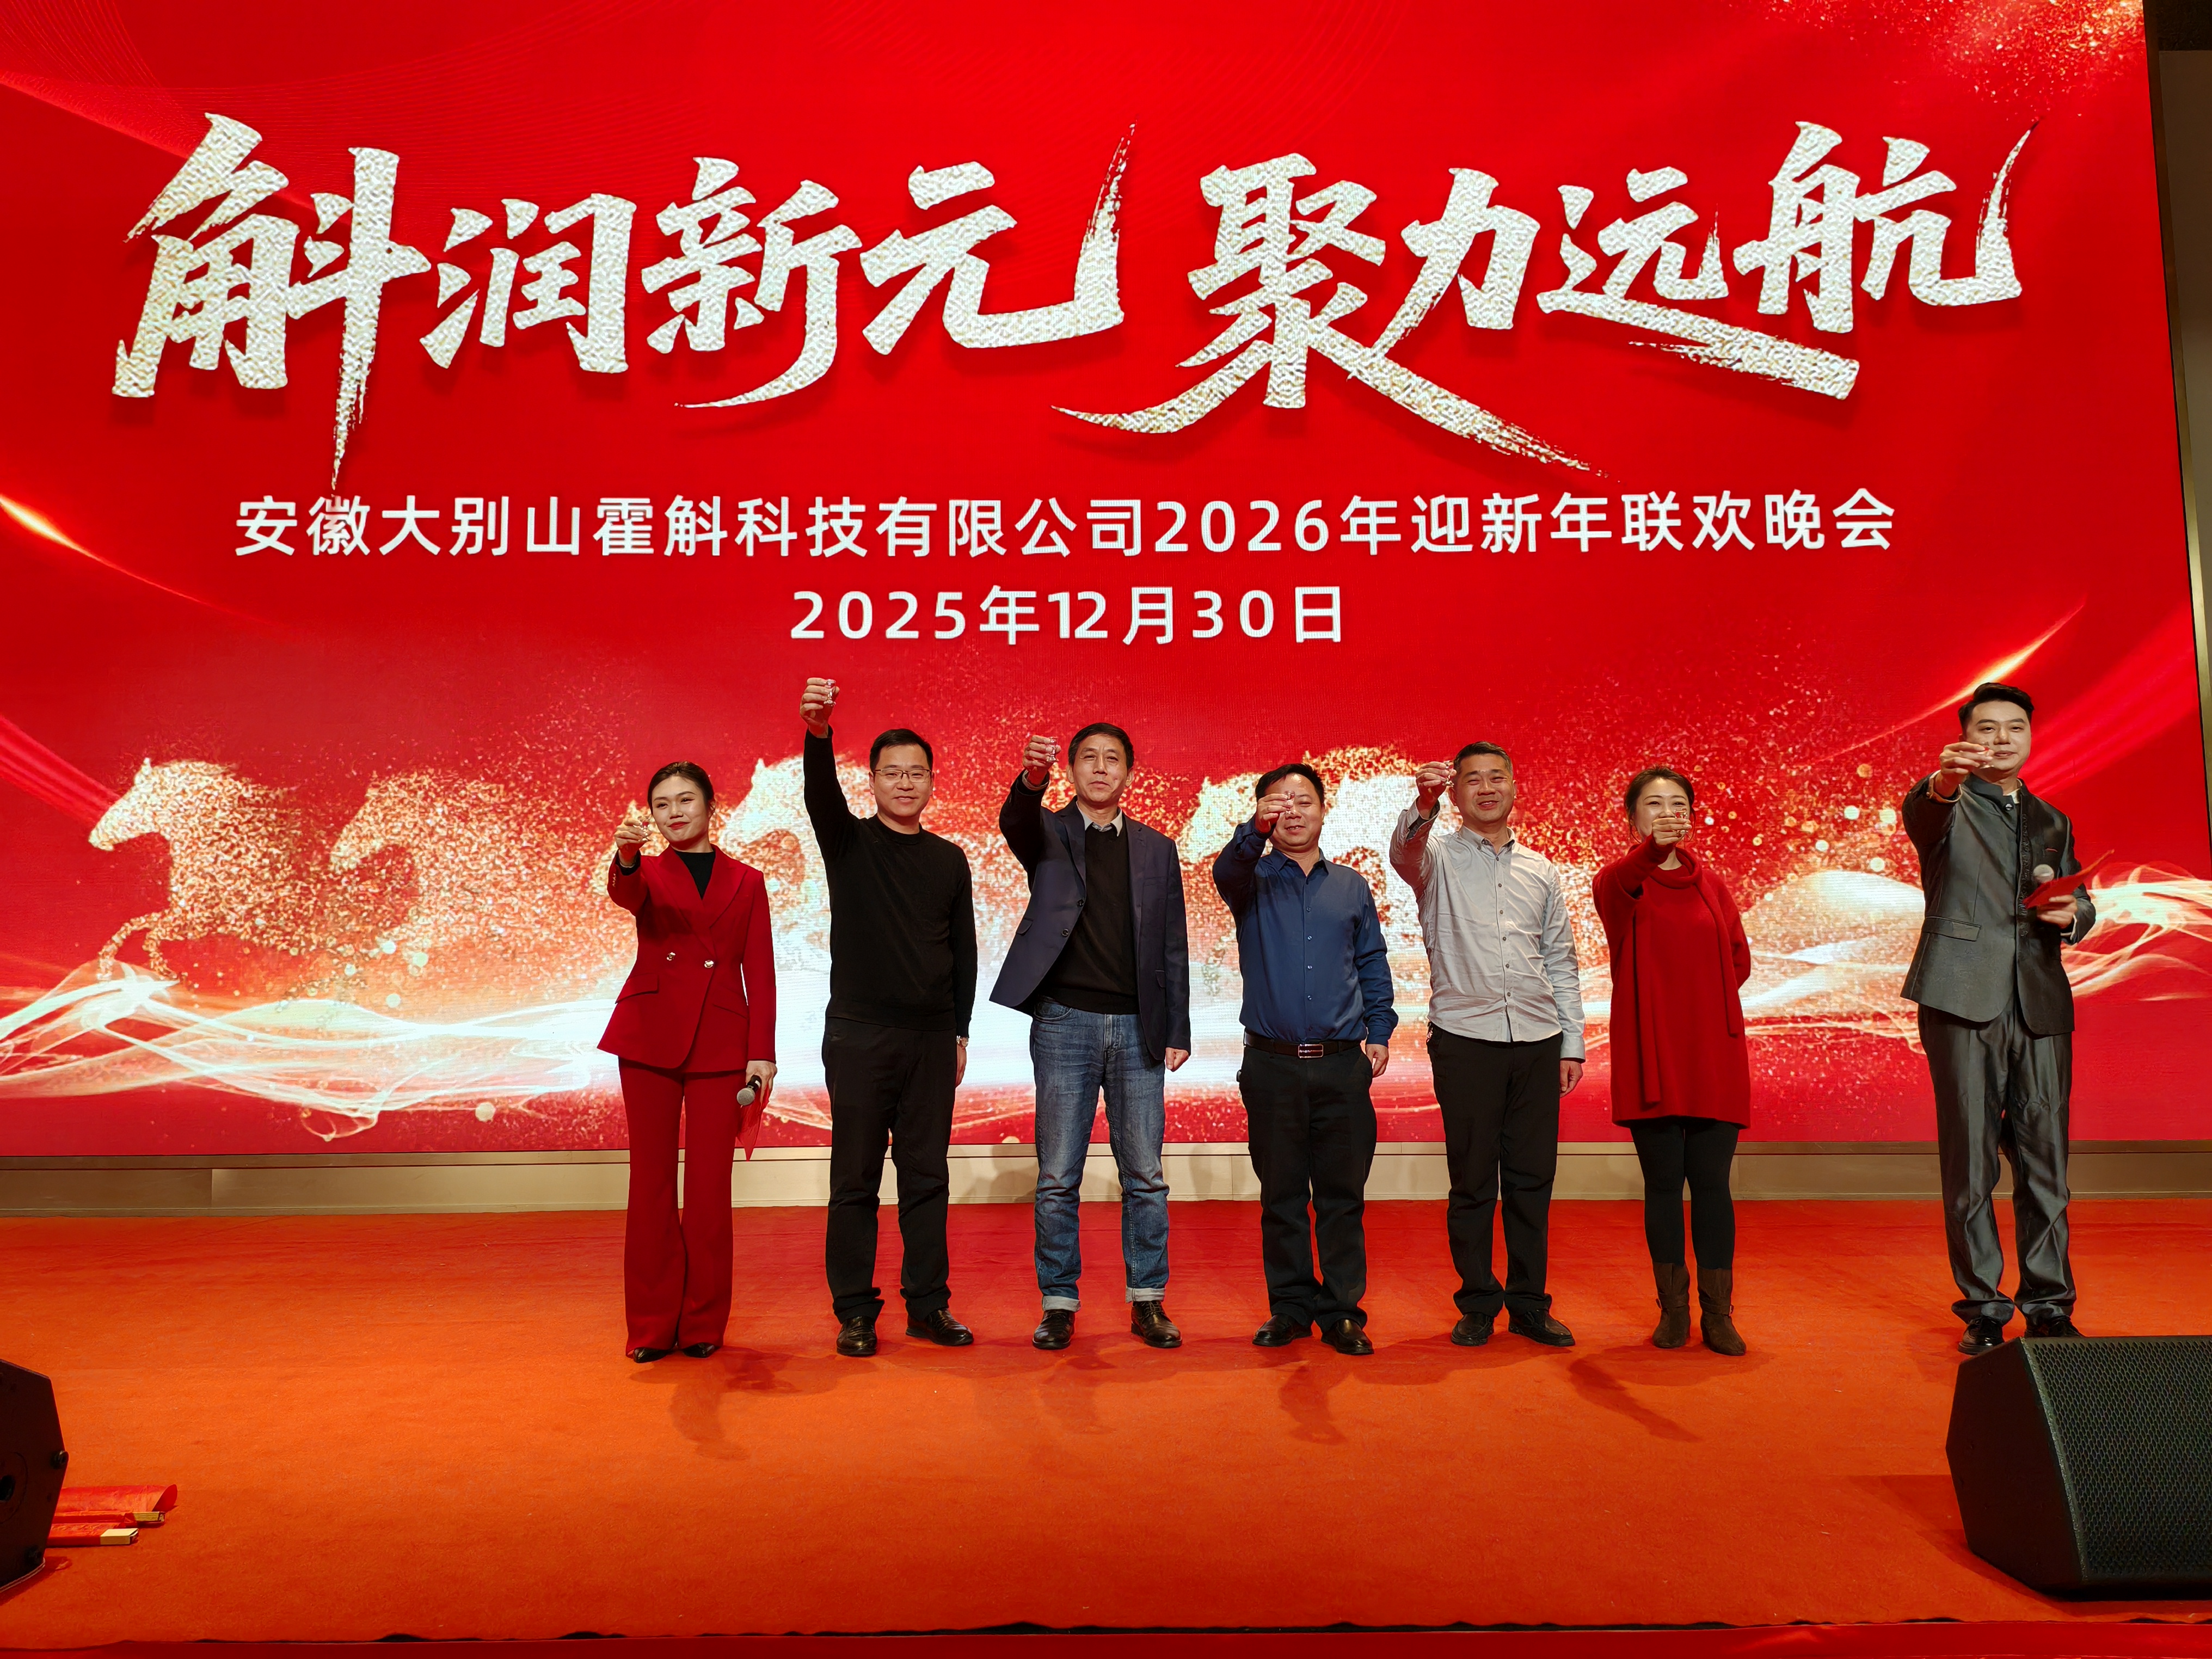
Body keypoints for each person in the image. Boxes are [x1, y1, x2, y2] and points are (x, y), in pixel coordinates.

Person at [1902, 681, 2095, 1355]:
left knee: (2046, 1163)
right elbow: (1926, 809)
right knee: (1970, 1162)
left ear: (2029, 736)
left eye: (2014, 727)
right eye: (1986, 728)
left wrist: (2072, 915)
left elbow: (2079, 898)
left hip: (2039, 1003)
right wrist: (1943, 779)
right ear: (1965, 738)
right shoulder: (1943, 804)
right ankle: (1983, 1307)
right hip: (1960, 997)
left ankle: (2048, 1305)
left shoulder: (2051, 818)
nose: (2002, 739)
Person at [991, 723, 1193, 1351]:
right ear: (1072, 770)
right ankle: (1058, 1302)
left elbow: (1173, 943)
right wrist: (1031, 780)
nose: (1100, 768)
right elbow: (1014, 820)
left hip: (1138, 1028)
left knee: (1145, 1175)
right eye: (1088, 759)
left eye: (1112, 759)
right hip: (1063, 1024)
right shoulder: (1047, 832)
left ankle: (1147, 1300)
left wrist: (1177, 1027)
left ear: (1128, 772)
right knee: (1057, 1176)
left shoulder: (1157, 849)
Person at [800, 678, 980, 1357]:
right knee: (854, 1179)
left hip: (931, 1039)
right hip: (859, 1034)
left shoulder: (949, 860)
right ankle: (854, 1311)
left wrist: (959, 1030)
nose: (905, 783)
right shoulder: (847, 842)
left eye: (916, 773)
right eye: (892, 772)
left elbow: (963, 951)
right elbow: (820, 794)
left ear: (931, 781)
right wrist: (819, 734)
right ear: (871, 780)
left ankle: (928, 1306)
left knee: (927, 1178)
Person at [1390, 742, 1585, 1348]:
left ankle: (1528, 1304)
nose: (1485, 788)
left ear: (1513, 786)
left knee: (1532, 1181)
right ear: (1455, 792)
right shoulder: (1434, 858)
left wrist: (1571, 1042)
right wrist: (1423, 803)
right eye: (1471, 779)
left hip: (1537, 1039)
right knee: (1473, 1182)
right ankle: (1477, 1302)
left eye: (1496, 777)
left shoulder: (1541, 870)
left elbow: (1560, 959)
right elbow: (1402, 849)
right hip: (1465, 1040)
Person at [599, 762, 777, 1365]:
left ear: (710, 807)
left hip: (721, 1042)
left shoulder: (747, 881)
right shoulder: (644, 871)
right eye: (661, 804)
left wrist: (762, 1052)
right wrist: (627, 856)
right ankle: (651, 1325)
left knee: (708, 1189)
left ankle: (703, 1320)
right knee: (649, 1185)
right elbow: (625, 894)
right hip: (648, 1037)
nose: (674, 813)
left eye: (685, 800)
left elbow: (761, 971)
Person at [1214, 763, 1396, 1355]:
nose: (1292, 811)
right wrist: (1253, 831)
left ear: (1324, 809)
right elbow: (1227, 867)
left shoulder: (1351, 886)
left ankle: (1342, 1312)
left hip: (1343, 1063)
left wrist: (1379, 1029)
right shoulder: (1249, 878)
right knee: (1282, 1196)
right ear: (1262, 813)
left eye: (1303, 800)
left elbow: (1371, 961)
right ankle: (1289, 1308)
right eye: (1278, 802)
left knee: (1342, 1196)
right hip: (1272, 1065)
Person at [1592, 767, 1753, 1355]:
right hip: (1651, 1054)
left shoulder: (1712, 884)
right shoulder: (1619, 883)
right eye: (1654, 804)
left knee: (1711, 1184)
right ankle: (1673, 1310)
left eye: (1678, 803)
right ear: (1632, 817)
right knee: (1663, 1184)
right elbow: (1622, 882)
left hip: (1712, 1054)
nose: (1668, 813)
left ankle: (1718, 1314)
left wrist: (1700, 1007)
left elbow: (1739, 960)